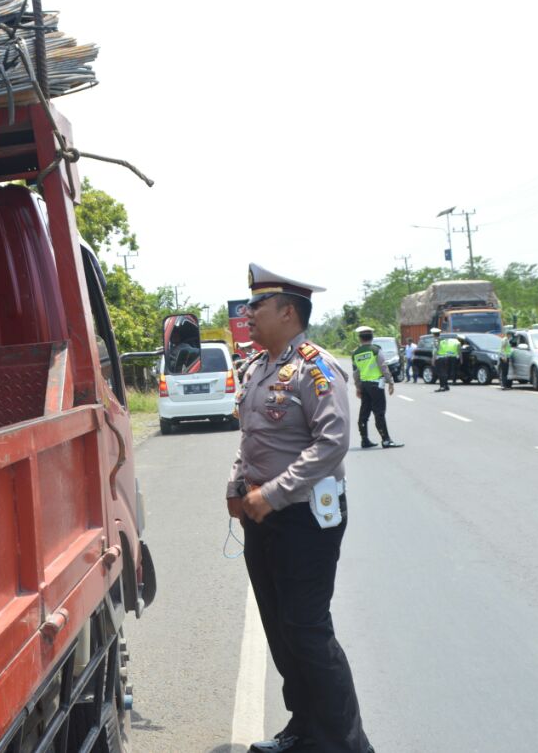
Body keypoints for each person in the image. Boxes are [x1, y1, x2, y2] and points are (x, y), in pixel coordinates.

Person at [227, 264, 374, 753]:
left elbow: (332, 443)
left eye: (258, 305)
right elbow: (251, 438)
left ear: (288, 312)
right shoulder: (258, 366)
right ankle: (306, 729)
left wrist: (271, 494)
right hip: (262, 516)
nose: (247, 313)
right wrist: (238, 484)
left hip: (305, 516)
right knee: (281, 628)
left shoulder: (316, 366)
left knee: (308, 629)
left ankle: (349, 745)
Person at [351, 326, 401, 449]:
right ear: (372, 337)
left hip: (364, 385)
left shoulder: (355, 354)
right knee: (379, 413)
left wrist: (358, 388)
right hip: (376, 385)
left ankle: (364, 440)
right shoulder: (375, 350)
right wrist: (391, 382)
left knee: (364, 413)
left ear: (360, 338)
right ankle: (386, 440)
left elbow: (356, 373)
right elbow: (383, 367)